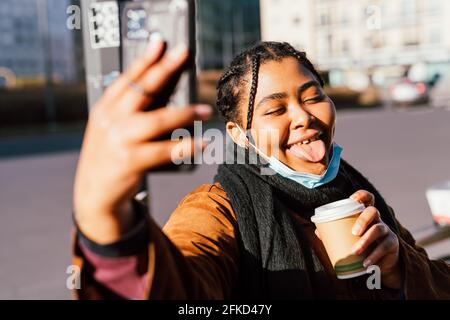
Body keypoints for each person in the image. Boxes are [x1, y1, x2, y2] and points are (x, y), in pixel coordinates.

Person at [72, 40, 450, 299]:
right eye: (275, 109)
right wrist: (107, 224)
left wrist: (400, 267)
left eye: (313, 96)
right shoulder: (216, 210)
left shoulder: (356, 193)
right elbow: (183, 288)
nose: (303, 116)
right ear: (239, 135)